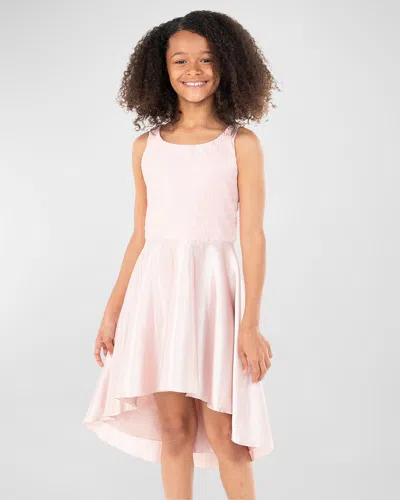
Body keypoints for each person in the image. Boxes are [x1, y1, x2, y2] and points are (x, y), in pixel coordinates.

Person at [83, 10, 279, 500]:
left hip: (215, 296)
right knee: (174, 429)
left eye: (207, 59)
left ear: (227, 65)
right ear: (162, 69)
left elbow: (253, 237)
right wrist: (112, 311)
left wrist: (250, 324)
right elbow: (140, 236)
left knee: (225, 434)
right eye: (180, 60)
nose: (194, 70)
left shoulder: (241, 144)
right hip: (158, 297)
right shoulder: (146, 147)